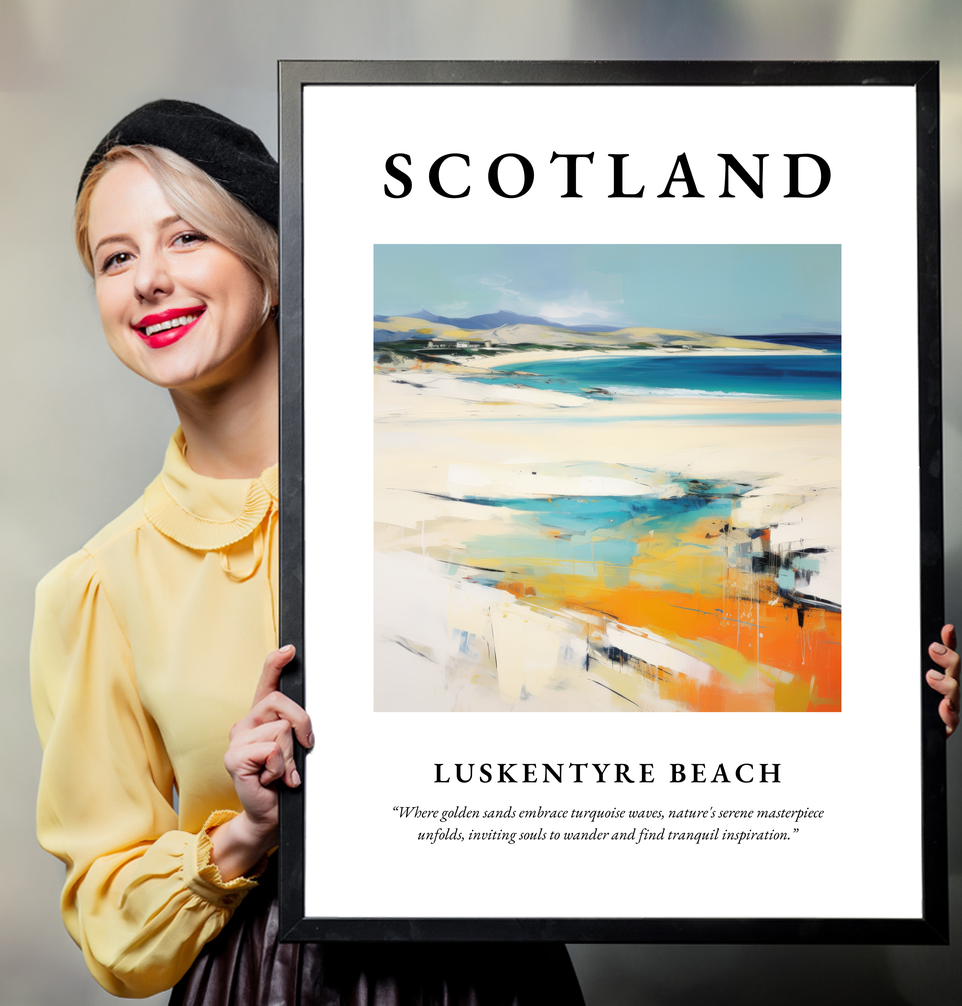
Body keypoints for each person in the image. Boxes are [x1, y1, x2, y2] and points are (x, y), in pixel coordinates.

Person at [30, 100, 585, 1004]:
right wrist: (245, 832)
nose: (148, 281)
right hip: (262, 982)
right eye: (116, 257)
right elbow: (110, 923)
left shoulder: (457, 489)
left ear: (273, 264)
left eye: (186, 239)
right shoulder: (98, 587)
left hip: (491, 973)